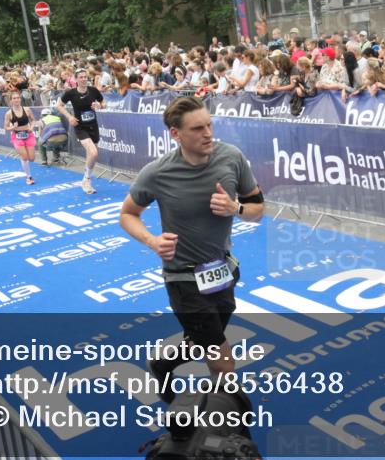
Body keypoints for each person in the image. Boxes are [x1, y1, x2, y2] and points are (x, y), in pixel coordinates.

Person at [119, 96, 264, 401]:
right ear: (176, 134)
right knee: (223, 362)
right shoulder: (157, 172)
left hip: (223, 271)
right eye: (198, 128)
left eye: (210, 125)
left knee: (205, 339)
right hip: (183, 280)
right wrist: (152, 241)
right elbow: (128, 214)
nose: (208, 133)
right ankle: (232, 433)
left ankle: (163, 363)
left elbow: (258, 209)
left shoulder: (232, 158)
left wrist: (236, 208)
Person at [56, 68, 106, 194]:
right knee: (94, 153)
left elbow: (103, 102)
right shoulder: (71, 93)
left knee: (92, 155)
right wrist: (69, 117)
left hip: (93, 126)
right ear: (76, 79)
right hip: (80, 127)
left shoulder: (93, 91)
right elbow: (59, 105)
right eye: (81, 77)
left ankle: (85, 179)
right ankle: (87, 179)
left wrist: (100, 106)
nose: (84, 79)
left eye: (85, 77)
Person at [4, 91, 36, 185]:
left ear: (20, 99)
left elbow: (33, 120)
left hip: (28, 134)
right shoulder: (9, 113)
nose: (16, 100)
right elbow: (6, 127)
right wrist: (13, 127)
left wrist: (31, 127)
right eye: (14, 98)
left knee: (32, 158)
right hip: (17, 136)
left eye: (18, 98)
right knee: (25, 157)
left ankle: (23, 156)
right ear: (11, 101)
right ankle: (28, 177)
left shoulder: (27, 110)